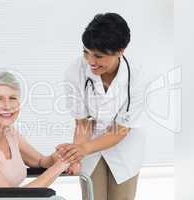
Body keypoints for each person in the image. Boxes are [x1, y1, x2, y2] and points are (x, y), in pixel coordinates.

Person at [59, 13, 147, 200]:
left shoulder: (137, 77)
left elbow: (121, 130)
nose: (91, 61)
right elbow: (82, 123)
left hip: (125, 148)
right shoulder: (75, 72)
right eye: (86, 52)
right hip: (89, 142)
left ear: (120, 51)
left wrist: (82, 149)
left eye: (98, 56)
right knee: (92, 196)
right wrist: (77, 154)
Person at [0, 68, 70, 196]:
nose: (8, 106)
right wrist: (59, 166)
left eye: (12, 98)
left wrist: (61, 156)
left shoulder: (9, 133)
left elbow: (40, 161)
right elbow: (9, 197)